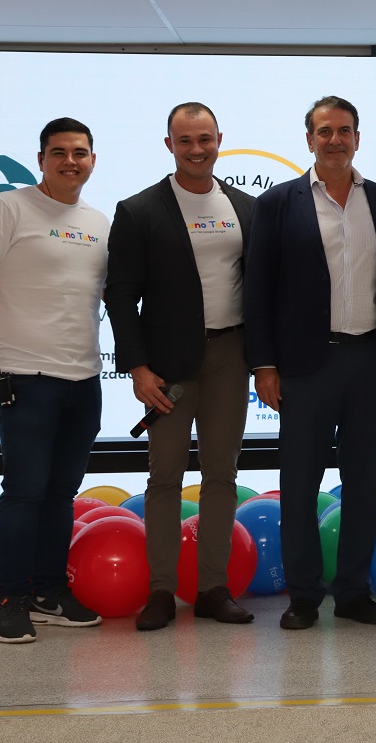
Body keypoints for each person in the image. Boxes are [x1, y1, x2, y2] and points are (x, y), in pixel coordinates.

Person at [0, 117, 109, 643]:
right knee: (24, 491)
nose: (70, 161)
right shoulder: (7, 208)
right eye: (59, 152)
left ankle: (49, 592)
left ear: (92, 160)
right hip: (24, 375)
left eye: (79, 152)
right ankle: (11, 598)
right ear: (41, 159)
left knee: (61, 494)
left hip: (84, 377)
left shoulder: (99, 223)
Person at [244, 96, 376, 630]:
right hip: (305, 366)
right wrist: (264, 365)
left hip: (373, 362)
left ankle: (354, 591)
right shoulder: (277, 204)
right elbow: (258, 289)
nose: (335, 140)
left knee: (365, 480)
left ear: (358, 138)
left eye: (345, 130)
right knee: (299, 482)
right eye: (325, 131)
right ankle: (304, 595)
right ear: (309, 139)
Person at [104, 102, 256, 631]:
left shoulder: (246, 207)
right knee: (165, 476)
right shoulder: (139, 210)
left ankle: (213, 588)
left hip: (231, 356)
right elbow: (120, 296)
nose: (196, 149)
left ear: (220, 140)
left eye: (205, 139)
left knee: (222, 474)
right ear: (169, 144)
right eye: (185, 140)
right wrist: (137, 368)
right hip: (167, 367)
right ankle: (161, 592)